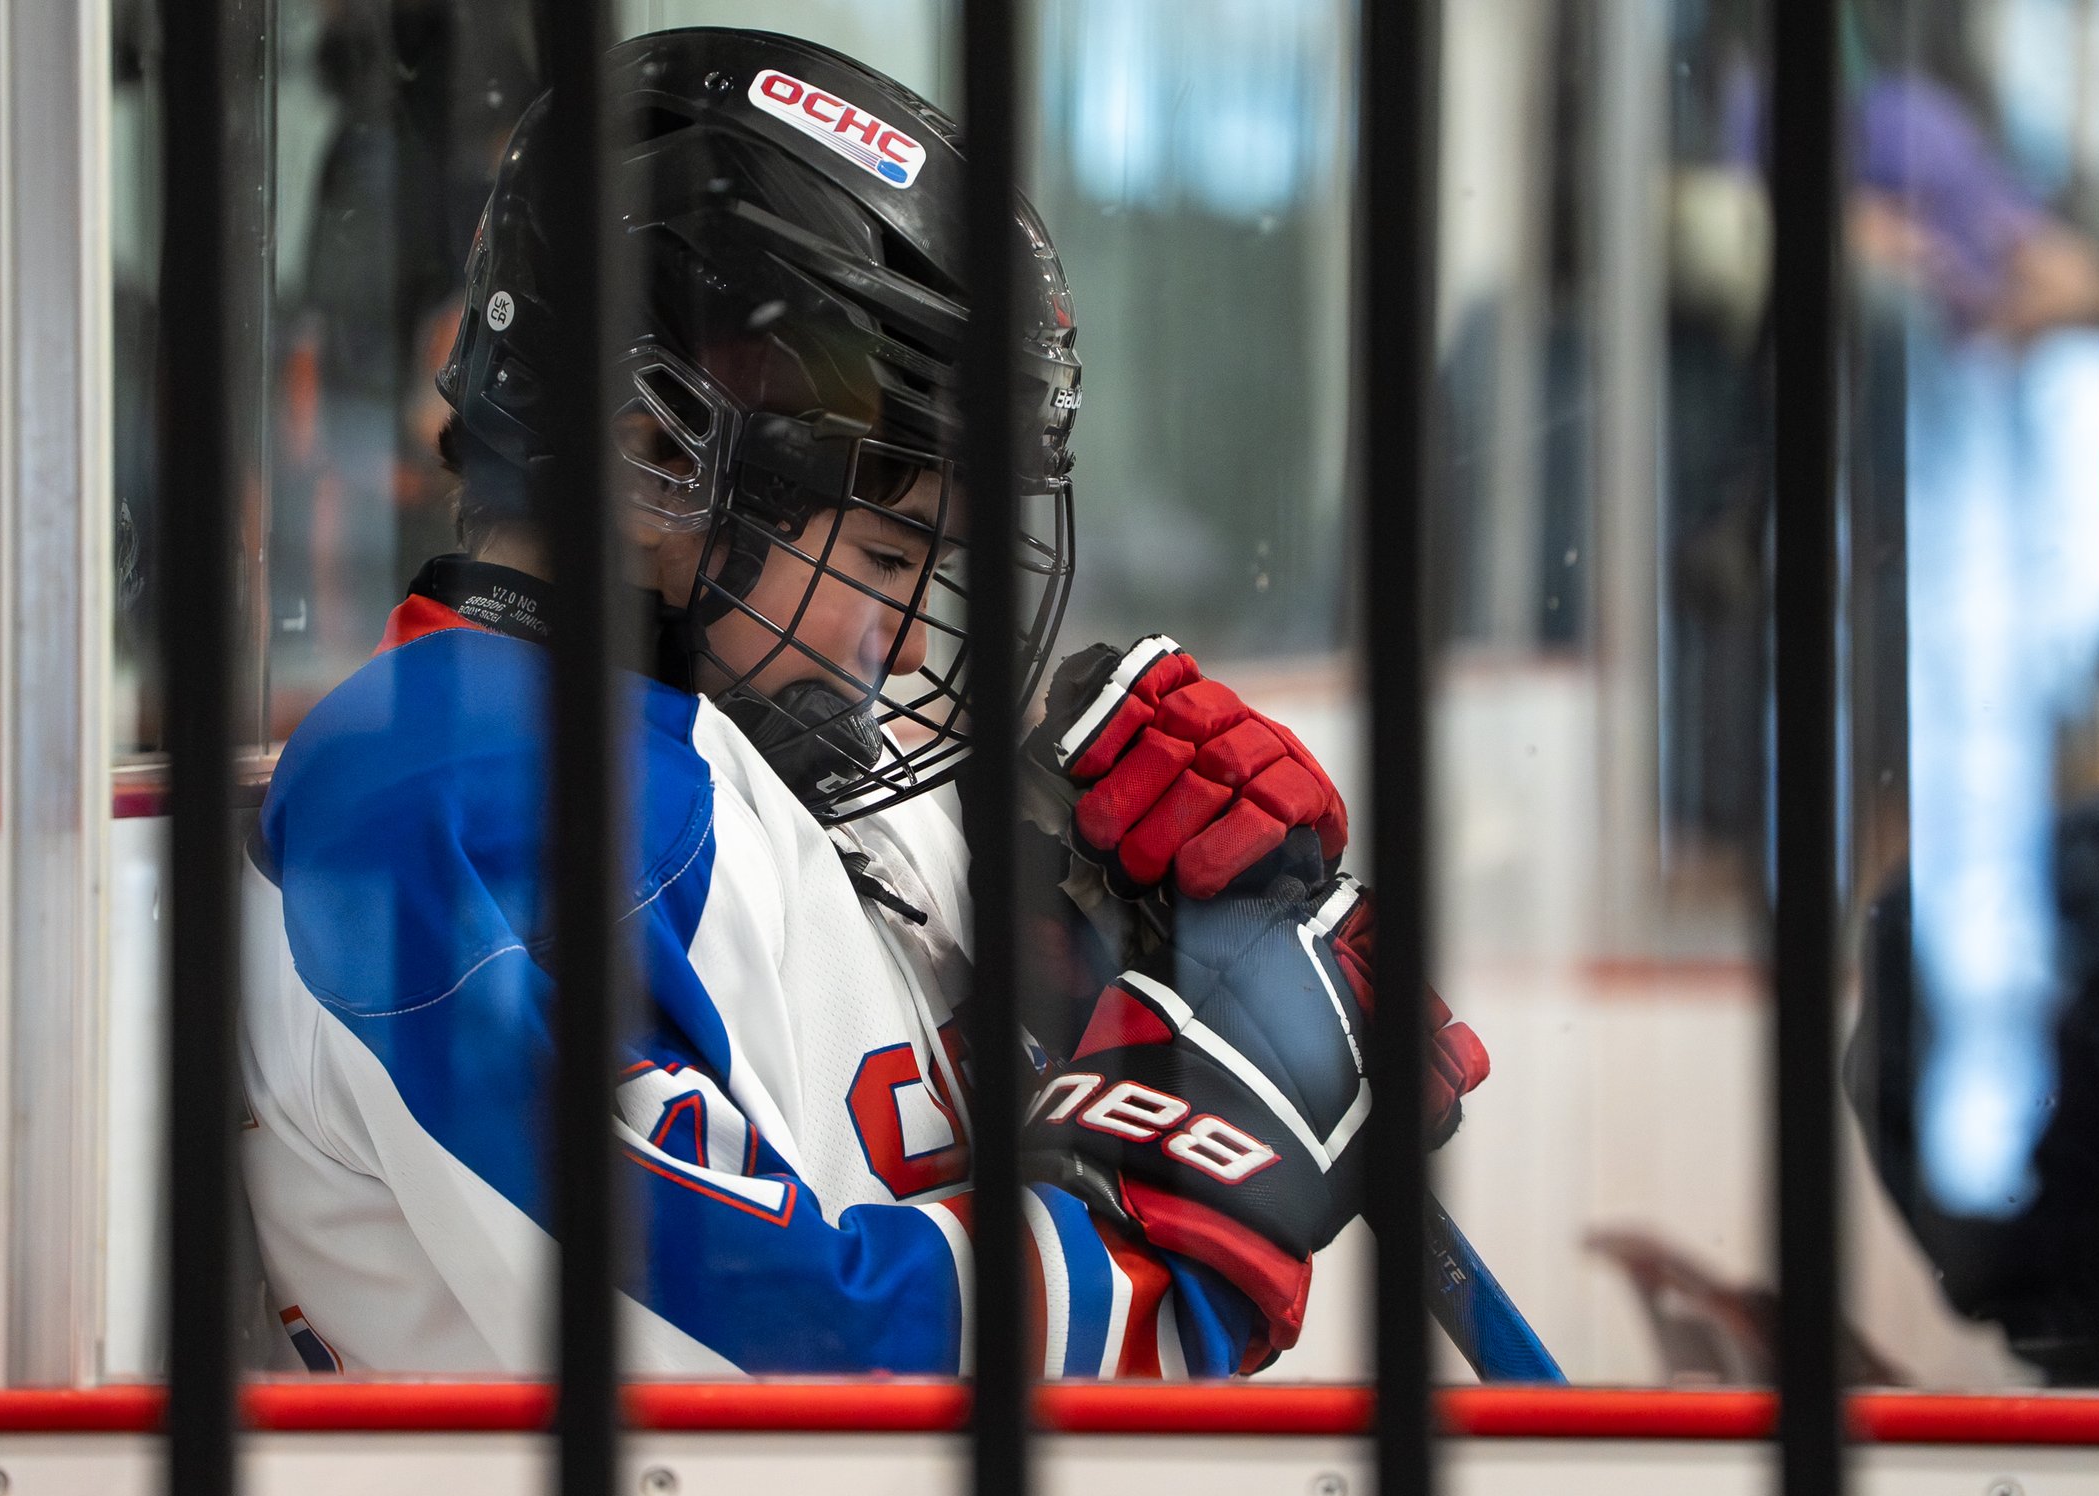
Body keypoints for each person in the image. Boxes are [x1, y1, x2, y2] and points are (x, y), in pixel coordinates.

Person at [238, 27, 1489, 1377]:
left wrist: (1151, 962)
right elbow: (770, 1375)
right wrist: (1157, 1235)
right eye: (887, 558)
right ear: (657, 453)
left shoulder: (784, 759)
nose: (900, 656)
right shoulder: (451, 798)